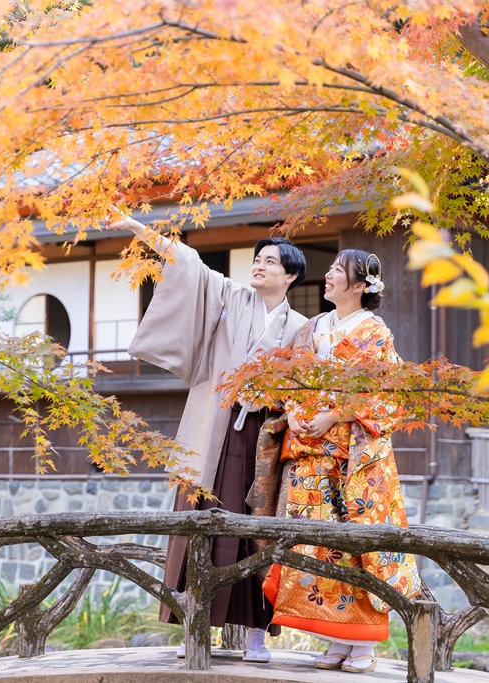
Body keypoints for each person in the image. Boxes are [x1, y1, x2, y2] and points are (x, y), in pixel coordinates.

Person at [111, 214, 308, 662]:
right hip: (214, 427)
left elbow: (304, 388)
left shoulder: (301, 327)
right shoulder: (231, 296)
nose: (258, 265)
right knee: (201, 520)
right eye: (257, 259)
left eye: (270, 261)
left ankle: (256, 635)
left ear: (291, 275)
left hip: (264, 437)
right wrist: (134, 225)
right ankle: (195, 627)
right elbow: (188, 262)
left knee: (257, 528)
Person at [261, 249, 421, 674]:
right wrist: (295, 412)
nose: (329, 275)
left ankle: (363, 643)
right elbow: (291, 379)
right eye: (331, 268)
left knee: (354, 546)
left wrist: (335, 415)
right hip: (311, 452)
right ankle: (335, 638)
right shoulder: (313, 328)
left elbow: (388, 393)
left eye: (338, 270)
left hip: (352, 457)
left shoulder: (374, 332)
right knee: (317, 545)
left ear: (360, 286)